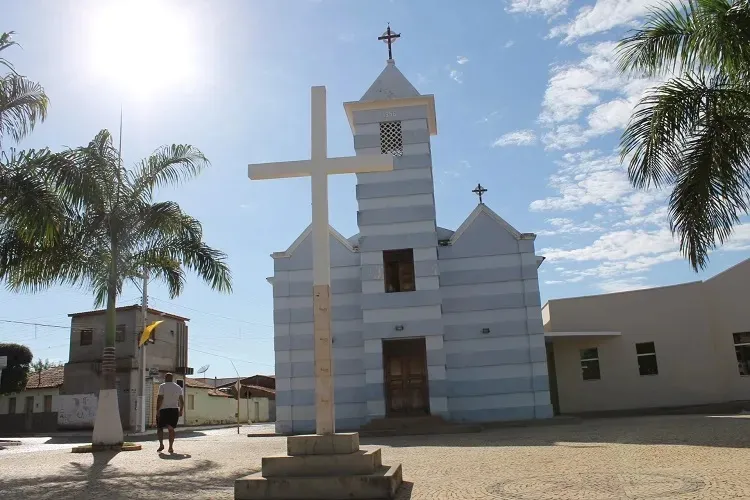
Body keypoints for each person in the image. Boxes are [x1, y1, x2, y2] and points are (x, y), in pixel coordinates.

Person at [156, 373, 184, 454]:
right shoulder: (178, 387)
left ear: (165, 378)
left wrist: (157, 410)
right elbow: (181, 400)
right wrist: (181, 410)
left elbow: (160, 398)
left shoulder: (162, 386)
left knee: (160, 428)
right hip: (174, 410)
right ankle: (170, 447)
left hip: (163, 410)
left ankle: (161, 444)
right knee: (171, 428)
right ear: (172, 378)